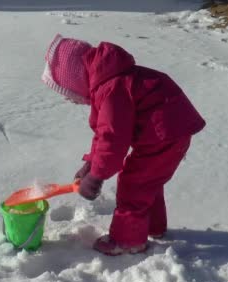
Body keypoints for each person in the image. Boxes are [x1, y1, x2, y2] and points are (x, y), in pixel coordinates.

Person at [42, 34, 206, 256]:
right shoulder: (108, 82)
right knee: (146, 180)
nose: (69, 99)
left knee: (134, 184)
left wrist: (97, 175)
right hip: (168, 131)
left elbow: (113, 139)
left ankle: (128, 240)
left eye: (68, 92)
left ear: (77, 78)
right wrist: (91, 164)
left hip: (165, 134)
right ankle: (152, 227)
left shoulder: (111, 89)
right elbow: (103, 134)